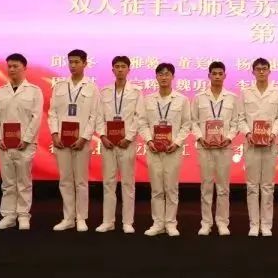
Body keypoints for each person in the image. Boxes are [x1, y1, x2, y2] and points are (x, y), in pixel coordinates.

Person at [0, 53, 44, 231]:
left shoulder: (34, 91)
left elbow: (36, 118)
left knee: (24, 181)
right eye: (9, 66)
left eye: (15, 66)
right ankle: (8, 215)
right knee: (8, 182)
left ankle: (23, 215)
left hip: (25, 145)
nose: (11, 69)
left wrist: (26, 139)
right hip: (4, 144)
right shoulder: (0, 91)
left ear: (24, 68)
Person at [48, 49, 99, 232]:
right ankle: (68, 218)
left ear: (85, 63)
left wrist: (84, 138)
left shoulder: (92, 88)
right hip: (62, 140)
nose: (73, 65)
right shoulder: (60, 86)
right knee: (65, 180)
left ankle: (81, 218)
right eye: (70, 62)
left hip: (81, 141)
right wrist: (55, 134)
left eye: (77, 62)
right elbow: (52, 113)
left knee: (81, 181)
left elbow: (94, 116)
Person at [139, 63, 192, 237]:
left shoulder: (182, 99)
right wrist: (149, 140)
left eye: (167, 74)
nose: (163, 77)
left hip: (172, 150)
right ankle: (157, 223)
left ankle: (170, 223)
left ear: (172, 77)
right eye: (160, 74)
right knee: (156, 189)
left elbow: (186, 124)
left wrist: (177, 142)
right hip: (153, 149)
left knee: (171, 188)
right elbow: (142, 123)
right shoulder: (148, 100)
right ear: (156, 77)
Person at [238, 57, 278, 237]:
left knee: (267, 186)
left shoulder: (277, 93)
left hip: (269, 145)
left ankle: (266, 224)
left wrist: (273, 133)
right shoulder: (245, 92)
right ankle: (253, 224)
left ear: (269, 71)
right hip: (251, 144)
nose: (261, 71)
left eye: (264, 68)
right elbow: (240, 118)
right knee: (252, 186)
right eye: (258, 69)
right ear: (252, 71)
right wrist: (248, 134)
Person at [192, 61, 240, 236]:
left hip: (224, 148)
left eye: (220, 73)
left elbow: (236, 122)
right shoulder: (199, 97)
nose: (217, 76)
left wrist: (229, 138)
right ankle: (206, 223)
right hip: (205, 147)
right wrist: (200, 137)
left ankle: (222, 222)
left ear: (225, 76)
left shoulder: (232, 98)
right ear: (209, 76)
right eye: (214, 73)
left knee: (223, 187)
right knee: (206, 186)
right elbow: (193, 121)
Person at [96, 56, 142, 234]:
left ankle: (127, 222)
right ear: (112, 70)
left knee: (128, 182)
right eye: (117, 66)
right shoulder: (104, 92)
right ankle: (108, 221)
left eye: (123, 66)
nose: (120, 69)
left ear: (129, 69)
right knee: (108, 182)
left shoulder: (136, 92)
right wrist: (102, 135)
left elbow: (139, 117)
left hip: (126, 143)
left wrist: (129, 138)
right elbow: (99, 116)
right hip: (108, 143)